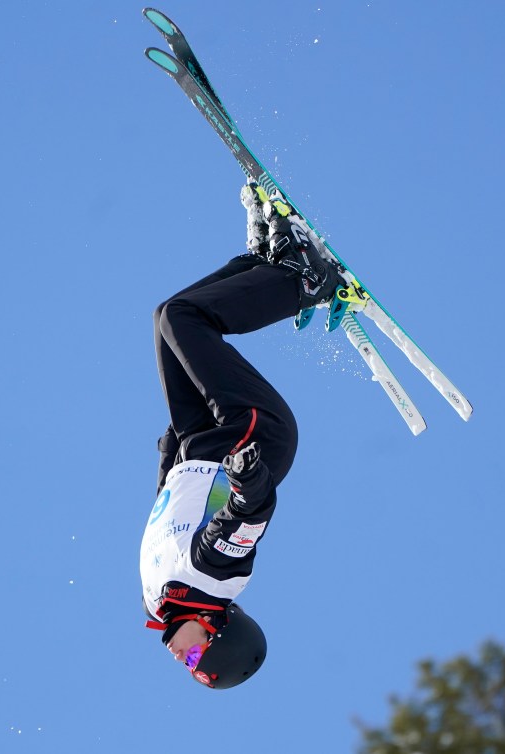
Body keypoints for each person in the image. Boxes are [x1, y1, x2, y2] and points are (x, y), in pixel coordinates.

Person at [139, 182, 341, 689]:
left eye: (187, 668)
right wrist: (249, 480)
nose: (179, 660)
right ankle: (304, 282)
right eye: (193, 662)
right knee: (186, 321)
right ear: (217, 632)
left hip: (196, 441)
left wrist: (170, 453)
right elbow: (246, 516)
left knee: (169, 315)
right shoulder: (215, 577)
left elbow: (168, 509)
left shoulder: (157, 595)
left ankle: (264, 264)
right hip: (252, 441)